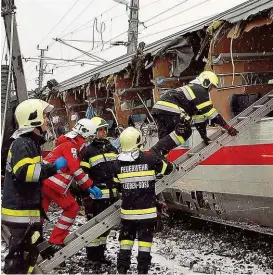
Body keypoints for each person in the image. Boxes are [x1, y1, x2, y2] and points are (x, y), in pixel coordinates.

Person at [1, 99, 67, 274]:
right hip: (21, 213)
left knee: (27, 255)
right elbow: (26, 173)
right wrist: (52, 167)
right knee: (19, 261)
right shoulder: (23, 143)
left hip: (25, 211)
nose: (47, 120)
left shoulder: (30, 143)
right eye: (44, 116)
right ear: (33, 119)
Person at [114, 127, 173, 274]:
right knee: (145, 242)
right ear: (138, 142)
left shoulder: (117, 164)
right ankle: (142, 269)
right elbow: (168, 169)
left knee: (126, 241)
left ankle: (122, 268)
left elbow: (117, 187)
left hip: (128, 213)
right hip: (147, 213)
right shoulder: (150, 158)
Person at [42, 118, 103, 251]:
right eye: (90, 137)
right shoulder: (71, 146)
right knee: (72, 208)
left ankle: (31, 241)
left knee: (39, 214)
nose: (89, 141)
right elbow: (75, 169)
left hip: (45, 183)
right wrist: (90, 186)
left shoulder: (67, 143)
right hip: (53, 184)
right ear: (86, 135)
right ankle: (55, 241)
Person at [151, 71, 239, 157]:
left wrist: (204, 137)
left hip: (160, 110)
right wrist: (228, 128)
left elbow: (199, 119)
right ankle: (155, 152)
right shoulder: (200, 90)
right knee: (185, 131)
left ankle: (157, 159)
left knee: (166, 139)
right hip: (171, 109)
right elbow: (212, 114)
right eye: (211, 87)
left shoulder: (193, 90)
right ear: (206, 82)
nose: (211, 90)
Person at [80, 117, 119, 266]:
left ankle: (100, 255)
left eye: (104, 129)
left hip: (111, 195)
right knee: (94, 227)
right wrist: (86, 196)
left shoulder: (112, 148)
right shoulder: (88, 151)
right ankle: (92, 257)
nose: (103, 132)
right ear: (93, 132)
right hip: (95, 197)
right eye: (100, 130)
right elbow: (83, 175)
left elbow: (118, 170)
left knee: (106, 227)